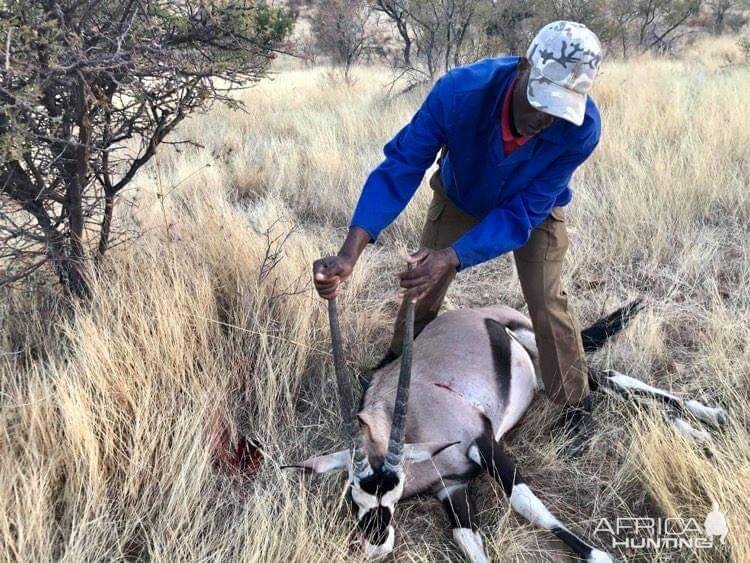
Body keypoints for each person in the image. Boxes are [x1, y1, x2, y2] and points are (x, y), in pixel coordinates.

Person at [312, 21, 603, 456]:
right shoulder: (461, 93)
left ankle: (574, 398)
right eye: (540, 101)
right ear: (523, 67)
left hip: (532, 210)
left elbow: (522, 213)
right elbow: (402, 165)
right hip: (462, 193)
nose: (543, 118)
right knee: (421, 285)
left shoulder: (580, 129)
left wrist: (455, 255)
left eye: (556, 110)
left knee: (546, 298)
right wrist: (350, 252)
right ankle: (396, 367)